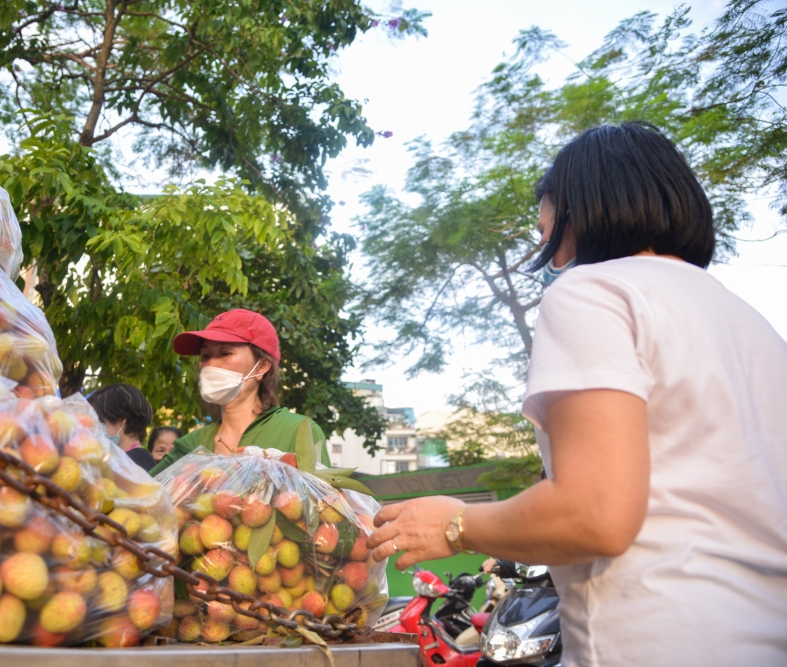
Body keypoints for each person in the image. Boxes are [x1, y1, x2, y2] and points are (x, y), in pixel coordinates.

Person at [366, 123, 787, 665]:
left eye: (546, 227)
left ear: (582, 213)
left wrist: (457, 524)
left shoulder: (593, 291)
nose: (544, 245)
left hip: (656, 638)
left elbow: (596, 512)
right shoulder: (750, 323)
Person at [150, 308, 331, 475]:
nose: (210, 364)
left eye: (225, 353)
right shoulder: (191, 444)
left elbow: (324, 503)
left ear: (262, 366)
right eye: (205, 355)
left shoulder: (299, 432)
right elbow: (140, 495)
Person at [87, 383, 157, 473]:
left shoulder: (137, 458)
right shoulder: (134, 458)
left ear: (121, 420)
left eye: (96, 421)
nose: (92, 429)